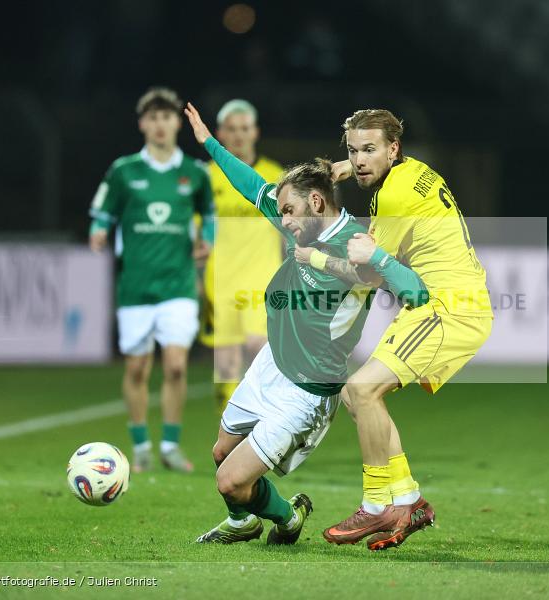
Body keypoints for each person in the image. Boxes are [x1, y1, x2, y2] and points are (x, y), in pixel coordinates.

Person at [183, 102, 429, 544]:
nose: (283, 220)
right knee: (221, 453)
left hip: (307, 390)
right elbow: (250, 185)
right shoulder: (300, 222)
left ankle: (283, 516)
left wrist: (372, 261)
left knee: (230, 482)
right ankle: (245, 521)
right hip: (270, 364)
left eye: (290, 210)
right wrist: (209, 143)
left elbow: (408, 288)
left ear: (316, 202)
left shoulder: (357, 242)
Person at [318, 109, 494, 551]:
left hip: (447, 307)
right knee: (360, 398)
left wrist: (318, 259)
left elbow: (370, 275)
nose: (359, 160)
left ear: (393, 148)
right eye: (353, 151)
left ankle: (376, 506)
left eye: (369, 150)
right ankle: (409, 500)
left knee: (360, 390)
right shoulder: (415, 171)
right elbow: (369, 173)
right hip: (447, 301)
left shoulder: (392, 197)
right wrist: (345, 168)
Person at [89, 87, 214, 473]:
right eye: (153, 118)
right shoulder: (125, 170)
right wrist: (98, 230)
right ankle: (141, 446)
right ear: (143, 124)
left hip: (177, 283)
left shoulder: (193, 172)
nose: (160, 125)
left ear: (177, 122)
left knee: (176, 365)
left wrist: (207, 240)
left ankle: (171, 446)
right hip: (137, 287)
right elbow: (103, 210)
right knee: (137, 368)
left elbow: (208, 214)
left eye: (167, 117)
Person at [199, 99, 284, 412]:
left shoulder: (274, 175)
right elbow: (195, 234)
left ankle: (264, 432)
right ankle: (231, 437)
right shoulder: (206, 178)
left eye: (244, 129)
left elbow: (289, 231)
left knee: (260, 354)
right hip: (218, 283)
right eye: (231, 129)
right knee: (226, 368)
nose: (238, 135)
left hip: (262, 282)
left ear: (255, 132)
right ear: (220, 133)